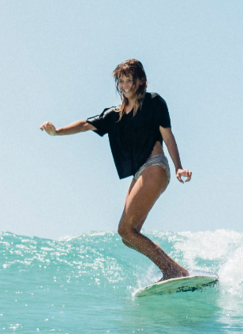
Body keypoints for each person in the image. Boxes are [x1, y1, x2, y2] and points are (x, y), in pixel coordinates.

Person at [39, 59, 195, 280]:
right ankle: (172, 269)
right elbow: (85, 124)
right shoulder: (115, 115)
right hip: (140, 172)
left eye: (128, 81)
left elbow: (168, 136)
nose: (124, 86)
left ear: (140, 81)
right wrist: (57, 132)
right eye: (120, 82)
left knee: (125, 229)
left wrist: (179, 168)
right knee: (128, 236)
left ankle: (174, 271)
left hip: (155, 166)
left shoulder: (154, 103)